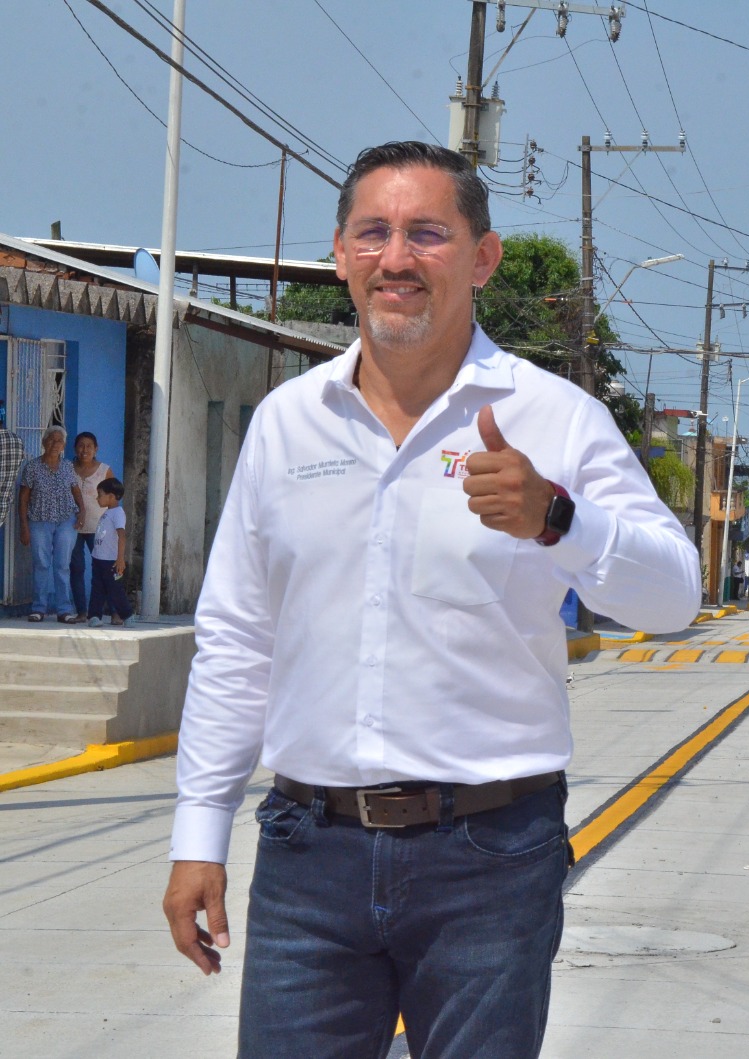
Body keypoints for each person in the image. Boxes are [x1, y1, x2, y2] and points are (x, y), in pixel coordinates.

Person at [161, 141, 700, 1059]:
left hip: (488, 858)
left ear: (483, 258)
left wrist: (557, 517)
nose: (397, 259)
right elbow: (239, 638)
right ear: (340, 255)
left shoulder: (553, 417)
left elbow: (675, 595)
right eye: (373, 233)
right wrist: (197, 831)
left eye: (427, 234)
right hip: (308, 856)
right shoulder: (288, 424)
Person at [17, 426, 86, 623]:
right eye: (51, 440)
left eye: (59, 441)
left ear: (64, 445)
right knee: (41, 564)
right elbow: (23, 498)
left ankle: (64, 610)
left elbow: (76, 490)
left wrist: (82, 510)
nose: (55, 444)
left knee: (62, 565)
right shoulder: (32, 467)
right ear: (43, 442)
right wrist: (23, 526)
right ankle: (39, 608)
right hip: (39, 521)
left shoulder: (67, 466)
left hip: (66, 520)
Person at [70, 431, 115, 622]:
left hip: (100, 528)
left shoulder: (104, 470)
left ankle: (114, 612)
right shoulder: (68, 468)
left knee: (105, 570)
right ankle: (82, 611)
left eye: (89, 446)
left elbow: (113, 499)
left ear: (96, 449)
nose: (85, 449)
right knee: (76, 569)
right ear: (75, 449)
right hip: (73, 528)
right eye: (81, 445)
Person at [86, 477, 134, 628]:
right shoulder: (107, 513)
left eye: (100, 494)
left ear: (112, 496)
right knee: (97, 588)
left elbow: (122, 536)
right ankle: (94, 616)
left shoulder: (118, 514)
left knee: (115, 589)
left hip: (111, 561)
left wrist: (120, 559)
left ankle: (127, 615)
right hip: (98, 559)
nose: (97, 497)